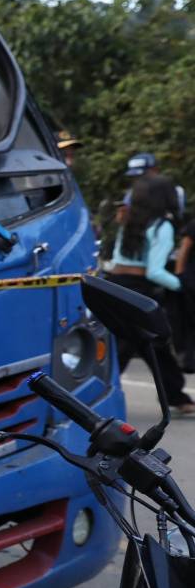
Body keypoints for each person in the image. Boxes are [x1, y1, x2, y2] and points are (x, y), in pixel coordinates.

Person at [106, 172, 195, 413]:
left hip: (115, 283)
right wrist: (181, 285)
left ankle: (176, 396)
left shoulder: (127, 217)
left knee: (151, 343)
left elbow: (116, 258)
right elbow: (155, 271)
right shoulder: (161, 226)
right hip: (139, 290)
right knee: (134, 344)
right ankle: (97, 396)